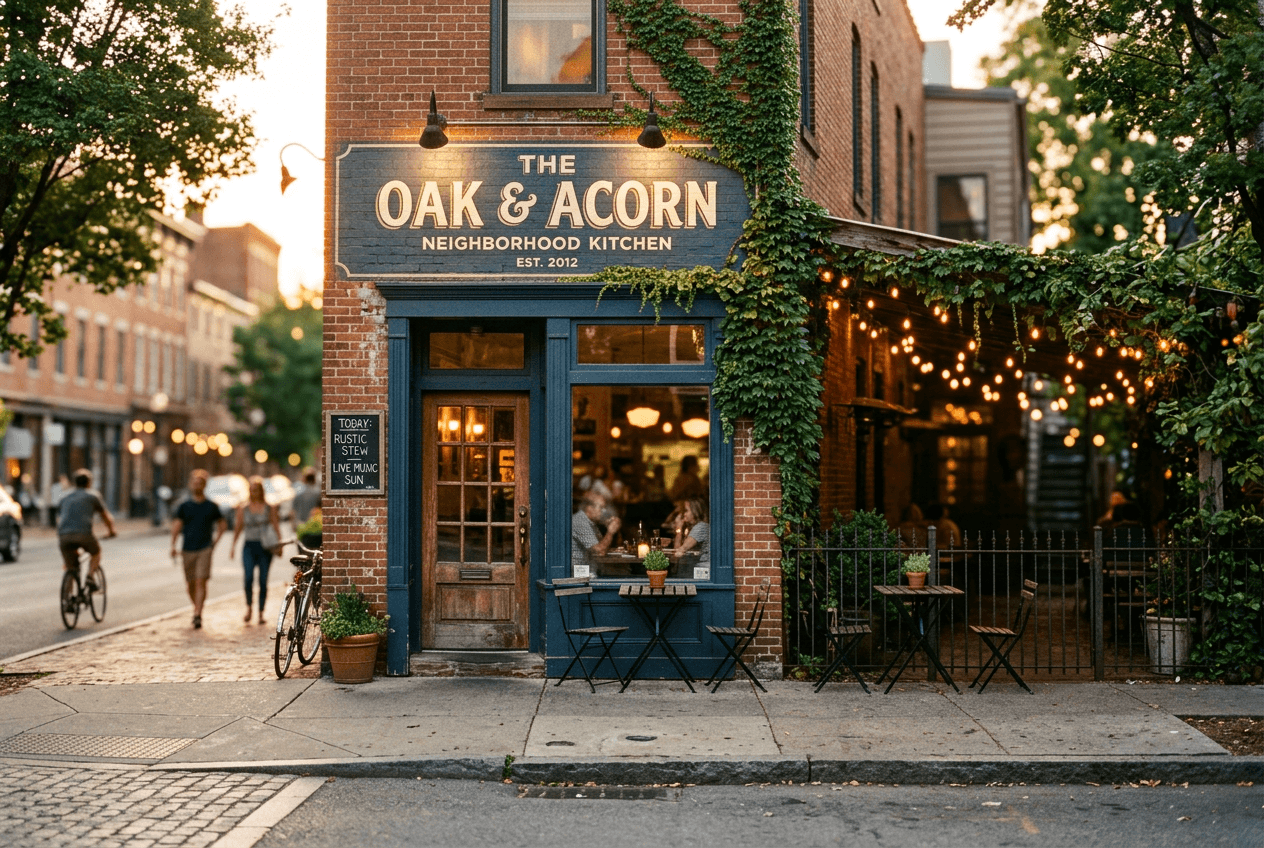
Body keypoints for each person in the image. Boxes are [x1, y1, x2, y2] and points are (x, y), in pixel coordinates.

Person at [170, 469, 227, 629]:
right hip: (187, 549)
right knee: (190, 584)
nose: (197, 485)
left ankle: (197, 614)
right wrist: (173, 545)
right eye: (194, 483)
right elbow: (177, 526)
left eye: (200, 483)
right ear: (190, 485)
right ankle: (197, 606)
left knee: (201, 581)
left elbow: (222, 525)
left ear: (204, 486)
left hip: (205, 548)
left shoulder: (211, 506)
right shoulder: (184, 506)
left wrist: (214, 543)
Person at [231, 476, 283, 625]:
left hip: (265, 547)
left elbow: (275, 525)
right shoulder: (243, 508)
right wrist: (233, 546)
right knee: (248, 578)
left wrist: (279, 544)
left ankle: (261, 612)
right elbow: (238, 526)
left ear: (261, 491)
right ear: (249, 491)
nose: (254, 493)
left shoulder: (269, 507)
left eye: (257, 490)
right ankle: (249, 607)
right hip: (249, 546)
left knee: (263, 580)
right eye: (252, 490)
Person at [56, 469, 117, 590]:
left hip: (63, 535)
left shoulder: (64, 497)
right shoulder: (93, 496)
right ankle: (90, 576)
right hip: (84, 534)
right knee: (96, 552)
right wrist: (111, 531)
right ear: (89, 483)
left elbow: (60, 516)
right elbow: (105, 517)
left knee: (70, 566)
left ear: (75, 483)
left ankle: (67, 595)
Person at [571, 491, 621, 571]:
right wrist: (610, 532)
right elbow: (599, 551)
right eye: (601, 507)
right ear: (589, 508)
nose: (604, 511)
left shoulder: (590, 522)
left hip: (589, 569)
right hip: (580, 572)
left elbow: (602, 551)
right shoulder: (580, 522)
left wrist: (606, 525)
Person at [669, 497, 710, 569]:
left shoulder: (701, 527)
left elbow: (679, 552)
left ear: (695, 512)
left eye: (686, 511)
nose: (684, 514)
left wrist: (679, 528)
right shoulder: (692, 528)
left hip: (701, 570)